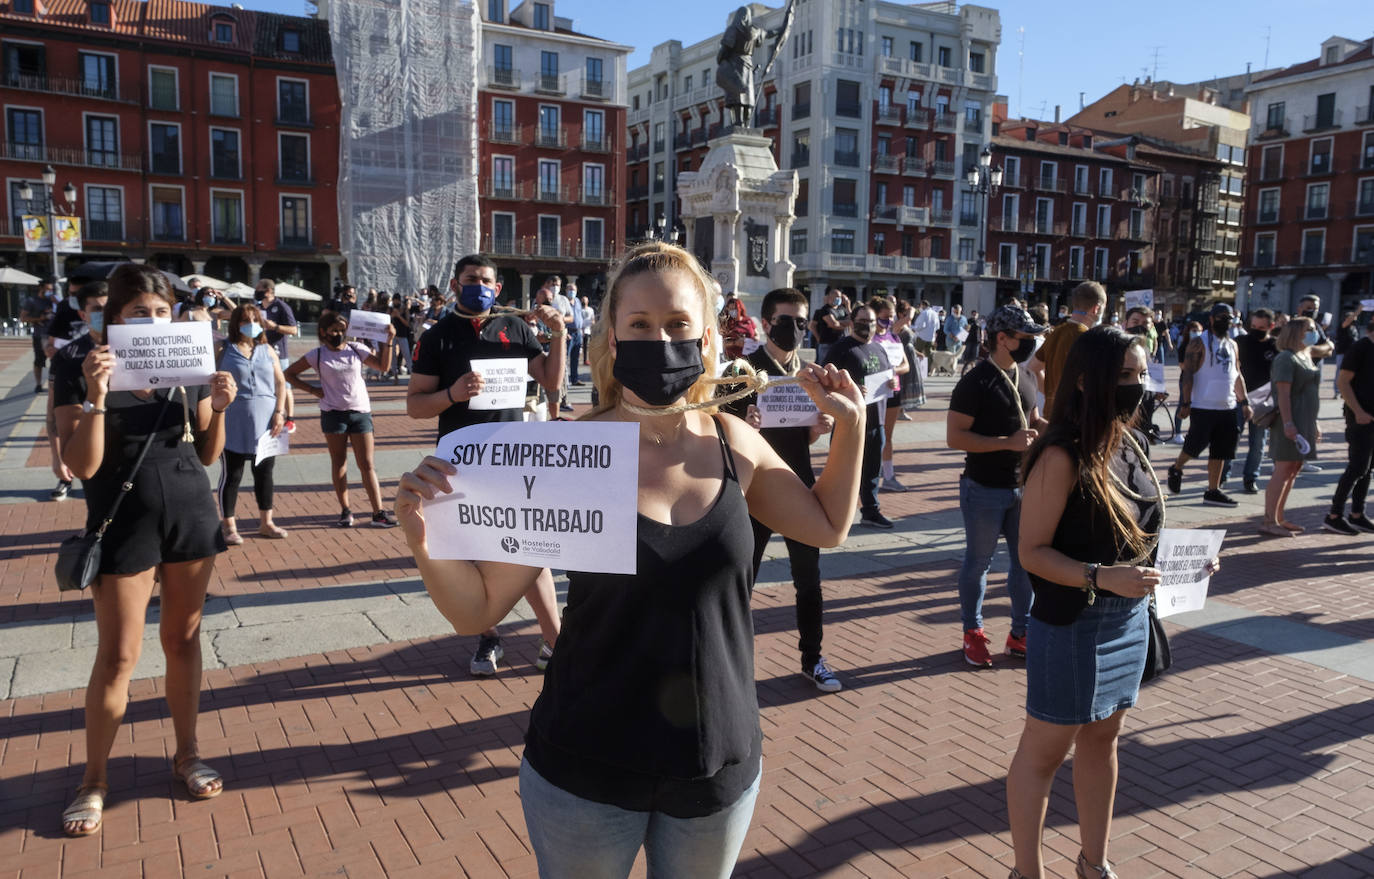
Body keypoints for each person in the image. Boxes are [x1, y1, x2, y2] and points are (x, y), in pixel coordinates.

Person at [395, 241, 864, 876]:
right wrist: (422, 538)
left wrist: (852, 428)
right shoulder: (570, 454)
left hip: (714, 764)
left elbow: (828, 526)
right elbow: (474, 607)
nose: (659, 339)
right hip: (584, 767)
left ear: (704, 340)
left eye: (676, 325)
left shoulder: (736, 444)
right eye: (639, 325)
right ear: (612, 339)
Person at [56, 264, 238, 836]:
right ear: (112, 318)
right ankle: (93, 779)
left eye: (162, 312)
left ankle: (187, 753)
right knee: (118, 656)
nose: (155, 321)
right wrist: (96, 394)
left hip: (188, 510)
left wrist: (220, 404)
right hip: (123, 518)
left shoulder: (186, 360)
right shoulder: (77, 364)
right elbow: (80, 464)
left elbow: (208, 454)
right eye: (140, 313)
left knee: (183, 640)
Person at [1006, 325, 1188, 879]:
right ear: (1087, 381)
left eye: (1141, 374)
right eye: (1126, 376)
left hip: (1128, 619)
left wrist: (1185, 564)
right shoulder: (1060, 454)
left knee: (1104, 738)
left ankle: (1094, 863)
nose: (1139, 386)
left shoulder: (1128, 440)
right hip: (1073, 623)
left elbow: (1140, 532)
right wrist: (1100, 576)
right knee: (1043, 753)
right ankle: (1027, 872)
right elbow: (1031, 552)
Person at [407, 254, 565, 677]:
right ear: (456, 285)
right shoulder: (437, 336)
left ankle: (555, 641)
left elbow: (550, 380)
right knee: (473, 553)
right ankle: (488, 636)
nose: (480, 285)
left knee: (529, 548)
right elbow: (415, 405)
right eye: (471, 279)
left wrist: (560, 333)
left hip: (512, 459)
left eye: (487, 281)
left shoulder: (515, 327)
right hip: (459, 462)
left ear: (497, 289)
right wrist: (453, 395)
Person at [722, 287, 844, 692]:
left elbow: (799, 440)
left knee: (808, 580)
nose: (794, 329)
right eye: (786, 321)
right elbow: (718, 433)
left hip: (799, 488)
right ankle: (729, 663)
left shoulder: (809, 374)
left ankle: (813, 658)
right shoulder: (742, 370)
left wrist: (815, 430)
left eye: (801, 321)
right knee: (743, 580)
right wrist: (743, 425)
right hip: (754, 493)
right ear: (767, 323)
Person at [946, 305, 1048, 668]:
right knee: (978, 562)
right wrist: (1008, 442)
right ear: (1001, 338)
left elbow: (1033, 421)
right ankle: (972, 632)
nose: (1031, 344)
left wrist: (1066, 430)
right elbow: (955, 437)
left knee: (1026, 564)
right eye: (1025, 338)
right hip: (984, 488)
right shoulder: (975, 381)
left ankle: (1020, 633)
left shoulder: (1026, 376)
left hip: (1023, 486)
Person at [284, 311, 398, 529]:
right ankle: (345, 510)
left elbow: (383, 367)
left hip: (360, 413)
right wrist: (312, 390)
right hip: (333, 413)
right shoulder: (317, 355)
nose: (338, 334)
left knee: (367, 464)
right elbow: (289, 373)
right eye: (334, 330)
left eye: (342, 330)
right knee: (339, 463)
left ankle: (378, 512)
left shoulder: (356, 349)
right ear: (323, 332)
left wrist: (389, 342)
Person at [1167, 304, 1252, 507]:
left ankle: (1213, 490)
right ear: (1212, 319)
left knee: (1221, 450)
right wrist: (1185, 403)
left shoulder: (1232, 344)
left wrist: (1245, 401)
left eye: (1229, 318)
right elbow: (1188, 374)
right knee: (1194, 445)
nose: (1226, 321)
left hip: (1227, 405)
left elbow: (1237, 373)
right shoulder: (1199, 342)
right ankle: (1177, 467)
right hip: (1203, 405)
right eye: (1222, 317)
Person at [217, 304, 289, 544]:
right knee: (232, 474)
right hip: (233, 421)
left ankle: (266, 522)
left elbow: (280, 383)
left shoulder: (267, 349)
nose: (251, 323)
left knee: (264, 472)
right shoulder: (224, 349)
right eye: (246, 319)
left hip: (267, 422)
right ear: (236, 323)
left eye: (255, 319)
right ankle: (229, 526)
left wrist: (280, 412)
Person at [824, 303, 897, 529]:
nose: (868, 326)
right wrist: (849, 390)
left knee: (872, 468)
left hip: (875, 419)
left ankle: (870, 510)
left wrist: (891, 383)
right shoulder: (841, 349)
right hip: (849, 423)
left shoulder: (879, 349)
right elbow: (824, 383)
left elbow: (886, 377)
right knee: (844, 471)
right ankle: (833, 513)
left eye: (872, 322)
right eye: (863, 321)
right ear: (852, 322)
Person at [1255, 317, 1320, 538]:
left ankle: (1279, 517)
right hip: (1290, 421)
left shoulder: (1305, 355)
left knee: (1294, 468)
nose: (1313, 332)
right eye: (1309, 329)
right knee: (1283, 469)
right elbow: (1282, 393)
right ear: (1296, 333)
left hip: (1305, 420)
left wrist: (1315, 423)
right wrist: (1289, 423)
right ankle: (1268, 520)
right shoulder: (1285, 358)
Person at [1031, 281, 1105, 414]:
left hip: (1052, 415)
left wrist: (1051, 394)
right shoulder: (1089, 338)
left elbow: (1032, 368)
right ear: (1096, 308)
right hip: (1075, 418)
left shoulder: (1056, 332)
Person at [1329, 315, 1374, 534]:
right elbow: (1343, 382)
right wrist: (1358, 411)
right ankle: (1334, 515)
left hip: (1371, 418)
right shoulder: (1360, 348)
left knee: (1368, 469)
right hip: (1360, 418)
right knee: (1357, 467)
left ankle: (1357, 514)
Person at [871, 296, 911, 492]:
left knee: (887, 435)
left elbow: (906, 365)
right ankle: (867, 474)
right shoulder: (869, 337)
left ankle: (888, 475)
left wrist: (894, 371)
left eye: (892, 317)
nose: (889, 321)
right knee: (870, 434)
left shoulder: (894, 337)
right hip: (873, 392)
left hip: (892, 390)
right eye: (885, 317)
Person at [1237, 309, 1279, 494]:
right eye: (1253, 326)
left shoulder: (1276, 346)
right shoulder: (1241, 342)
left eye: (1261, 327)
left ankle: (1251, 477)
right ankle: (1222, 477)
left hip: (1263, 402)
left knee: (1258, 443)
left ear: (1271, 326)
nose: (1256, 330)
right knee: (1232, 440)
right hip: (1239, 398)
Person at [255, 279, 299, 433]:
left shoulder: (281, 306)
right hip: (260, 350)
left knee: (284, 385)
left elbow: (293, 329)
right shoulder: (258, 306)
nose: (256, 291)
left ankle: (291, 419)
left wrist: (276, 327)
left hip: (279, 353)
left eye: (258, 288)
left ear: (268, 291)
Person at [22, 279, 57, 394]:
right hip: (40, 335)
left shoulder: (53, 301)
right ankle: (38, 384)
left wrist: (57, 303)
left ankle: (55, 383)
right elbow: (23, 318)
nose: (50, 292)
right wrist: (39, 319)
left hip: (54, 335)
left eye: (51, 289)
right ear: (41, 288)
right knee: (39, 361)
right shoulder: (31, 301)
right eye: (48, 289)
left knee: (56, 360)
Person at [809, 287, 851, 364]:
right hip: (827, 343)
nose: (839, 298)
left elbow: (852, 320)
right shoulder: (825, 310)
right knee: (825, 365)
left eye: (840, 297)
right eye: (837, 296)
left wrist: (848, 306)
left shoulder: (842, 309)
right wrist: (846, 323)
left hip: (841, 342)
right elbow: (833, 324)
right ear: (830, 297)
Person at [1333, 306, 1362, 399]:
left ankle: (1346, 391)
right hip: (1343, 352)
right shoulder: (1343, 325)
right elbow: (1348, 321)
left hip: (1352, 353)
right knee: (1340, 372)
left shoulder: (1354, 327)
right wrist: (1358, 310)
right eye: (1352, 318)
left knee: (1351, 373)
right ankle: (1337, 391)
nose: (1354, 320)